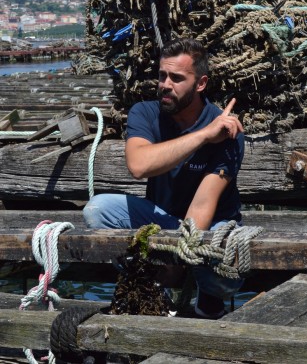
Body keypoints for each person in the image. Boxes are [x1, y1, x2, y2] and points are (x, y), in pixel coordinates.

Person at [83, 38, 245, 319]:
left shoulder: (228, 130)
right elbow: (138, 165)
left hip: (209, 228)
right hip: (162, 219)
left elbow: (202, 206)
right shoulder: (145, 112)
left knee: (227, 266)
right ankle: (151, 285)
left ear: (201, 83)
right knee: (98, 211)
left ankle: (209, 300)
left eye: (177, 78)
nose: (166, 85)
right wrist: (204, 135)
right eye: (162, 75)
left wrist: (177, 262)